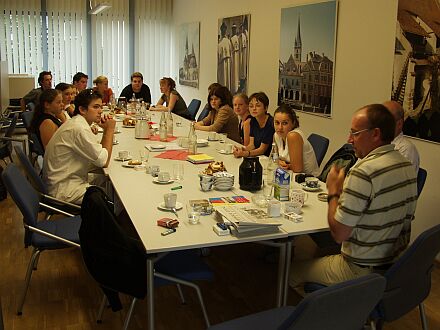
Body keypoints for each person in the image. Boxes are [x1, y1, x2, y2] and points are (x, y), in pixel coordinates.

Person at [289, 104, 418, 288]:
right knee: (307, 246)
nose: (350, 140)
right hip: (394, 266)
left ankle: (316, 311)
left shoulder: (363, 171)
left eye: (355, 133)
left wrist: (333, 191)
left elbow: (339, 234)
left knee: (290, 272)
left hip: (360, 269)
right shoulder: (406, 165)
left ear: (375, 134)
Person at [43, 89, 116, 204]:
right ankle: (114, 219)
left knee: (109, 180)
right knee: (116, 194)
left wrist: (106, 130)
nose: (100, 111)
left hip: (65, 179)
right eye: (96, 107)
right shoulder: (79, 128)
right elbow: (103, 161)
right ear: (82, 109)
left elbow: (99, 156)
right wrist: (110, 130)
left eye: (101, 107)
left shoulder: (77, 122)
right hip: (64, 190)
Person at [273, 104, 319, 176]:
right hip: (290, 174)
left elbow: (297, 169)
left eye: (285, 123)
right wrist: (278, 161)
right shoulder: (277, 135)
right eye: (277, 123)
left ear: (293, 123)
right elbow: (274, 156)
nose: (280, 127)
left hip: (308, 180)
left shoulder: (293, 136)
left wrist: (285, 165)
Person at [233, 92, 274, 157]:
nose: (254, 108)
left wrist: (246, 153)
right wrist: (242, 149)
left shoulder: (270, 123)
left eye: (258, 106)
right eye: (251, 106)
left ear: (266, 108)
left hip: (268, 159)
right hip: (258, 157)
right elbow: (252, 145)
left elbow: (262, 150)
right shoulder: (253, 121)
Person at [383, 100, 420, 173]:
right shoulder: (376, 142)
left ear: (399, 124)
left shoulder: (406, 149)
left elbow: (394, 181)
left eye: (384, 121)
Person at [218, 20, 232, 91]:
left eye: (224, 30)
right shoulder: (219, 43)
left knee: (227, 79)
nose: (223, 31)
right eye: (222, 30)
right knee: (222, 79)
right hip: (221, 64)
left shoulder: (228, 41)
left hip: (228, 62)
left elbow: (231, 51)